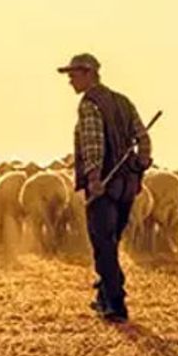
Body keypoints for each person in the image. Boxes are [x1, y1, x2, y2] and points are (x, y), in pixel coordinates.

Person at [57, 53, 152, 323]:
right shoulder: (123, 101)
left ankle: (115, 303)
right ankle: (104, 295)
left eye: (74, 75)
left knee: (103, 244)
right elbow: (143, 138)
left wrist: (95, 178)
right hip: (127, 186)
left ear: (89, 73)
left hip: (105, 186)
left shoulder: (90, 104)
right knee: (112, 240)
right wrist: (141, 163)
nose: (70, 81)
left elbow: (93, 143)